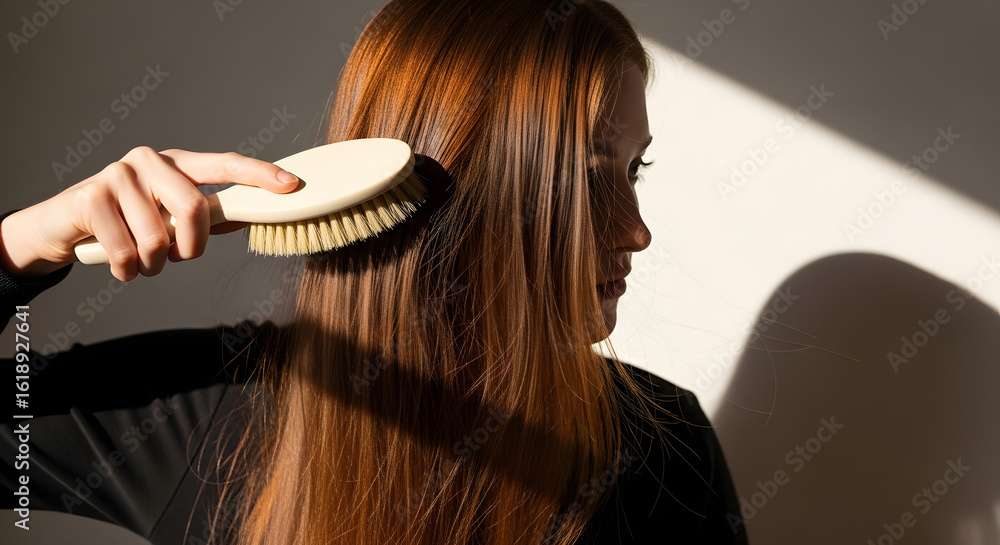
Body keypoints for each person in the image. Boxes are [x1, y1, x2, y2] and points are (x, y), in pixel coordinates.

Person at [0, 0, 748, 543]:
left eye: (634, 171)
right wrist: (17, 249)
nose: (637, 231)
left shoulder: (665, 450)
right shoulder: (209, 410)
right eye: (586, 176)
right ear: (441, 193)